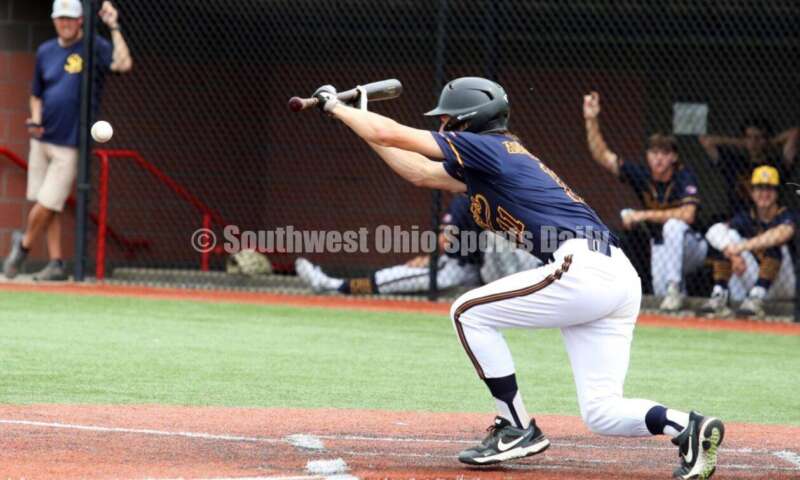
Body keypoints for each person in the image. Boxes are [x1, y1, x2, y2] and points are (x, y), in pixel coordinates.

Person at [309, 77, 724, 479]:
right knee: (601, 411)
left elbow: (394, 133)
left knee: (467, 311)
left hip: (583, 266)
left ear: (468, 120)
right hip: (614, 276)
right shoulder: (488, 162)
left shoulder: (488, 146)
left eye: (447, 118)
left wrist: (339, 108)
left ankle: (515, 426)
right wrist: (358, 122)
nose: (442, 125)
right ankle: (689, 427)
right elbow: (417, 170)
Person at [2, 0, 132, 281]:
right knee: (48, 203)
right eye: (61, 18)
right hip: (43, 138)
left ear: (80, 21)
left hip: (71, 142)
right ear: (54, 20)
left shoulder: (92, 46)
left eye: (71, 18)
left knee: (49, 201)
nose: (65, 23)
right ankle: (56, 263)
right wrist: (35, 119)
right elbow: (36, 93)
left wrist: (114, 26)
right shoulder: (46, 51)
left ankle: (23, 245)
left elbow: (123, 63)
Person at [583, 91, 707, 312]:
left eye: (664, 153)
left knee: (673, 226)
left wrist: (642, 215)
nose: (659, 158)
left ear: (674, 157)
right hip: (661, 246)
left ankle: (674, 288)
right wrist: (591, 120)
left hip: (693, 246)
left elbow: (688, 215)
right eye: (654, 152)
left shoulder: (684, 176)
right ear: (648, 156)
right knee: (662, 298)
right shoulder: (643, 175)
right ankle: (677, 298)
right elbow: (603, 156)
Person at [294, 195, 540, 295]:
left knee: (496, 237)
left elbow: (444, 241)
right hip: (472, 268)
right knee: (400, 277)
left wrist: (431, 254)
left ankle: (333, 285)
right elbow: (447, 241)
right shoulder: (479, 196)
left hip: (499, 272)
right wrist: (430, 258)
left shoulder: (469, 195)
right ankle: (334, 285)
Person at [701, 166, 795, 318]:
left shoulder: (785, 215)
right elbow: (714, 230)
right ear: (751, 193)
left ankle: (756, 298)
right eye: (759, 188)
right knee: (725, 237)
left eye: (769, 189)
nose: (764, 193)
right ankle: (719, 295)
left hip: (785, 284)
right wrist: (732, 253)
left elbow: (780, 235)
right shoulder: (747, 216)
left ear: (777, 193)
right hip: (757, 280)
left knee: (772, 243)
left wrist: (740, 248)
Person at [700, 118, 799, 216]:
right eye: (749, 137)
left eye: (758, 138)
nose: (754, 142)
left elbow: (794, 133)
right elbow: (706, 141)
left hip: (770, 218)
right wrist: (743, 143)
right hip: (738, 216)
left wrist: (768, 144)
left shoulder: (775, 165)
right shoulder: (735, 163)